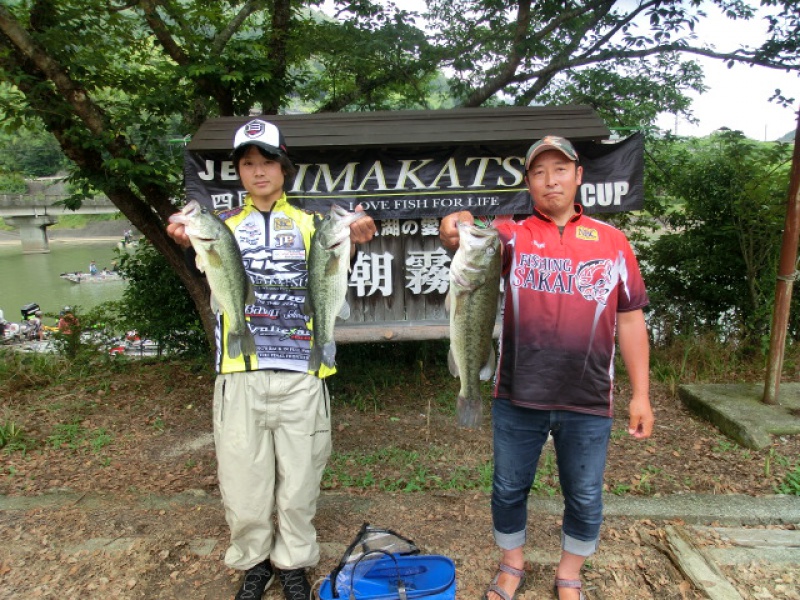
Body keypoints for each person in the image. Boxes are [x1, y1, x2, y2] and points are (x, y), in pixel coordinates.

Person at [167, 118, 376, 600]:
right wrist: (187, 239)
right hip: (240, 374)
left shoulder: (310, 224)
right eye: (247, 164)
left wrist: (357, 235)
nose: (258, 172)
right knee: (243, 484)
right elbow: (207, 269)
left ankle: (294, 564)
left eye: (267, 162)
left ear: (284, 169)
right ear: (239, 172)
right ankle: (254, 562)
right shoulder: (221, 227)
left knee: (301, 482)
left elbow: (335, 271)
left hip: (302, 371)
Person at [439, 135, 653, 600]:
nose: (549, 180)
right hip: (519, 394)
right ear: (529, 182)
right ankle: (512, 563)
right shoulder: (510, 235)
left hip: (589, 397)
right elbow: (458, 236)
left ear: (579, 176)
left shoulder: (613, 241)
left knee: (585, 494)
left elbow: (631, 318)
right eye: (538, 172)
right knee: (509, 486)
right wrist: (453, 224)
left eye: (560, 170)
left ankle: (570, 572)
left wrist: (641, 394)